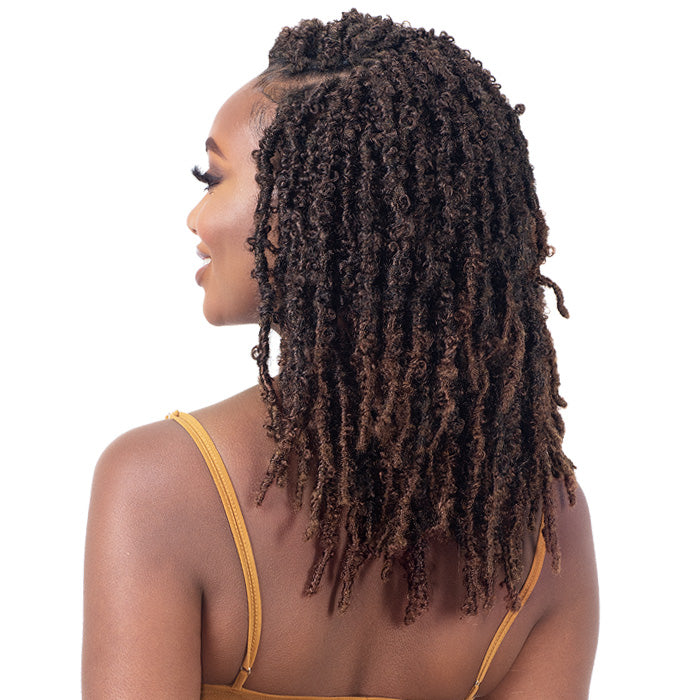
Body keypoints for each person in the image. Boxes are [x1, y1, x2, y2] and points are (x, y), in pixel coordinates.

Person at [82, 9, 599, 699]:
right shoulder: (541, 531)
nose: (194, 219)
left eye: (212, 179)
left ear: (313, 209)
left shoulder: (160, 487)